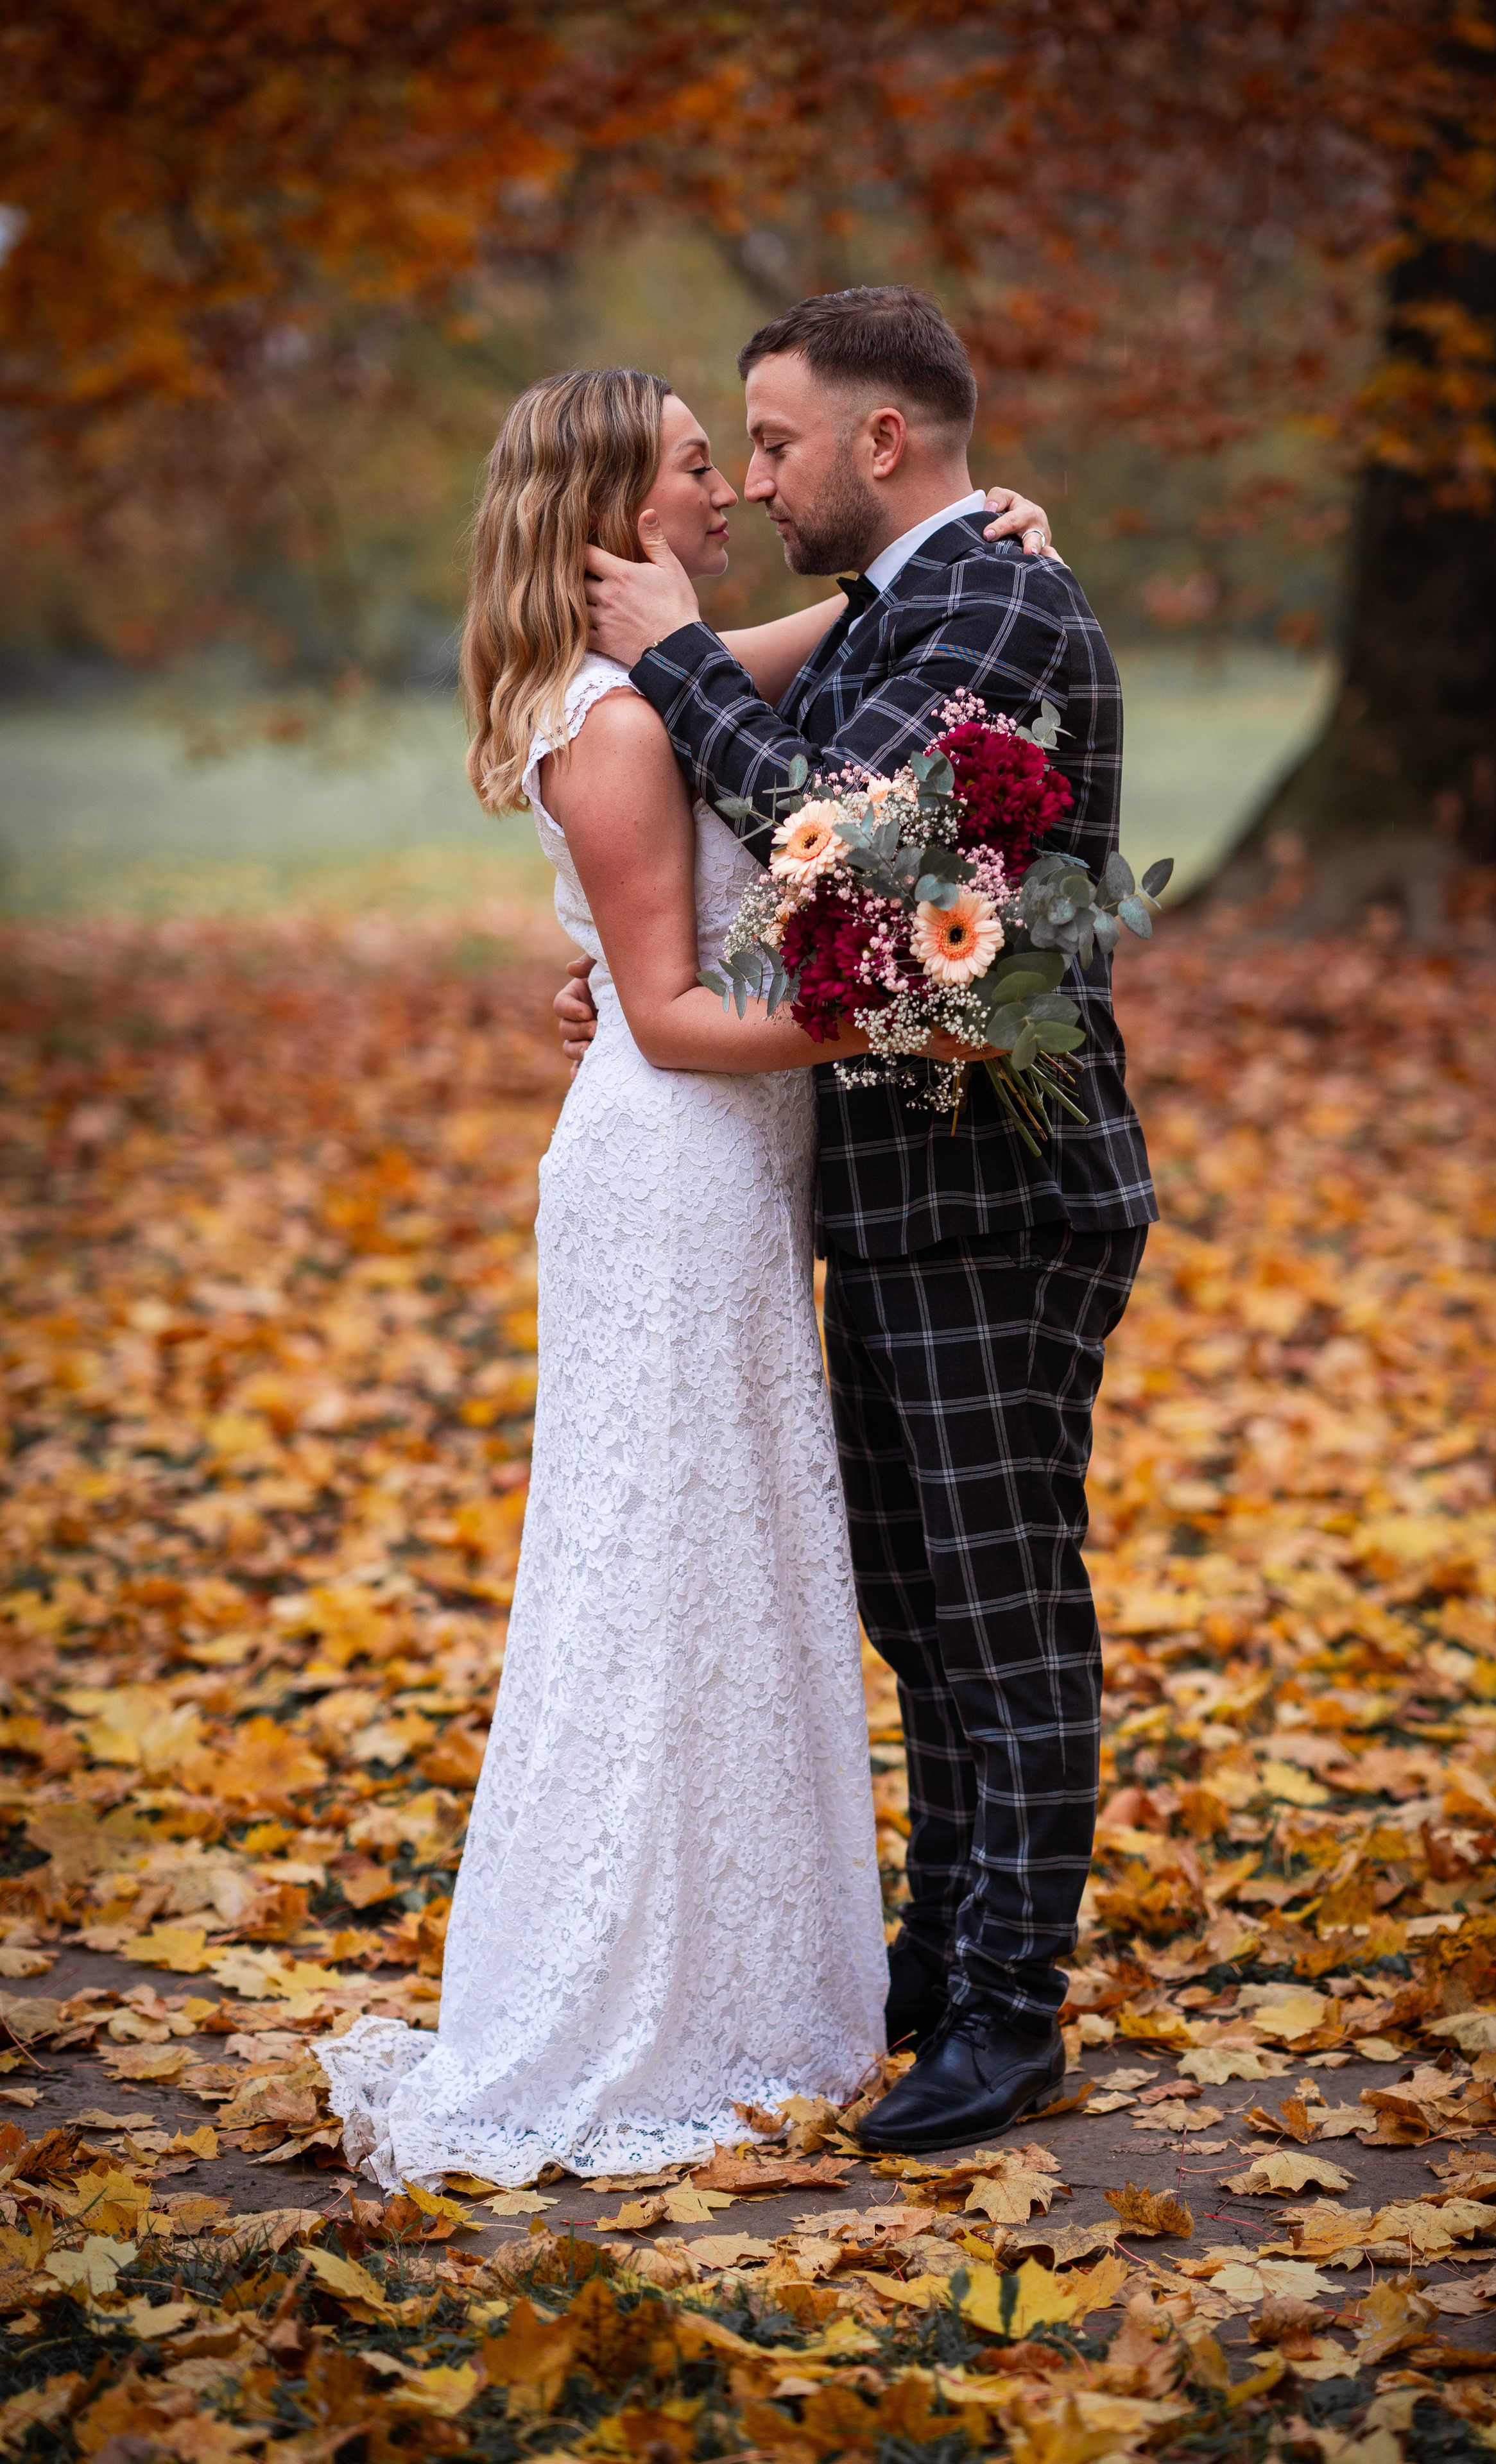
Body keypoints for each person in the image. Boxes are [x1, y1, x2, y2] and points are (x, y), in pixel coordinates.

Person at [316, 364, 1058, 2185]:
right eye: (695, 467)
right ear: (617, 512)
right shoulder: (630, 725)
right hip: (678, 1180)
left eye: (734, 457)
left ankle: (737, 1973)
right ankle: (630, 1992)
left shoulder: (661, 684)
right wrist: (909, 1006)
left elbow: (819, 630)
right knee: (665, 1578)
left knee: (725, 1570)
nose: (728, 488)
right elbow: (664, 1016)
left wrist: (988, 540)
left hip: (720, 1184)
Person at [563, 287, 1157, 2156]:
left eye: (777, 442)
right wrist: (630, 968)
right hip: (893, 1201)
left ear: (880, 442)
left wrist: (670, 654)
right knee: (920, 1611)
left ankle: (1009, 2013)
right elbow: (785, 883)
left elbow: (852, 847)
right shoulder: (925, 599)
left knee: (1002, 1617)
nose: (754, 478)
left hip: (999, 1195)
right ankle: (938, 1962)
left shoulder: (991, 602)